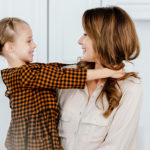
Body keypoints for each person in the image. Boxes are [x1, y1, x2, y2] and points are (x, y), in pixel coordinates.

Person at [0, 17, 124, 150]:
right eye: (28, 41)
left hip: (46, 138)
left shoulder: (32, 70)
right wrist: (107, 72)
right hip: (32, 142)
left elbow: (58, 69)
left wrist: (89, 63)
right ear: (10, 47)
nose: (34, 45)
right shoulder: (21, 75)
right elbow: (61, 76)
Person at [58, 6, 143, 150]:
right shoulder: (67, 77)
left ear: (104, 39)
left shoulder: (130, 89)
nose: (80, 41)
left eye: (86, 34)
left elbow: (116, 146)